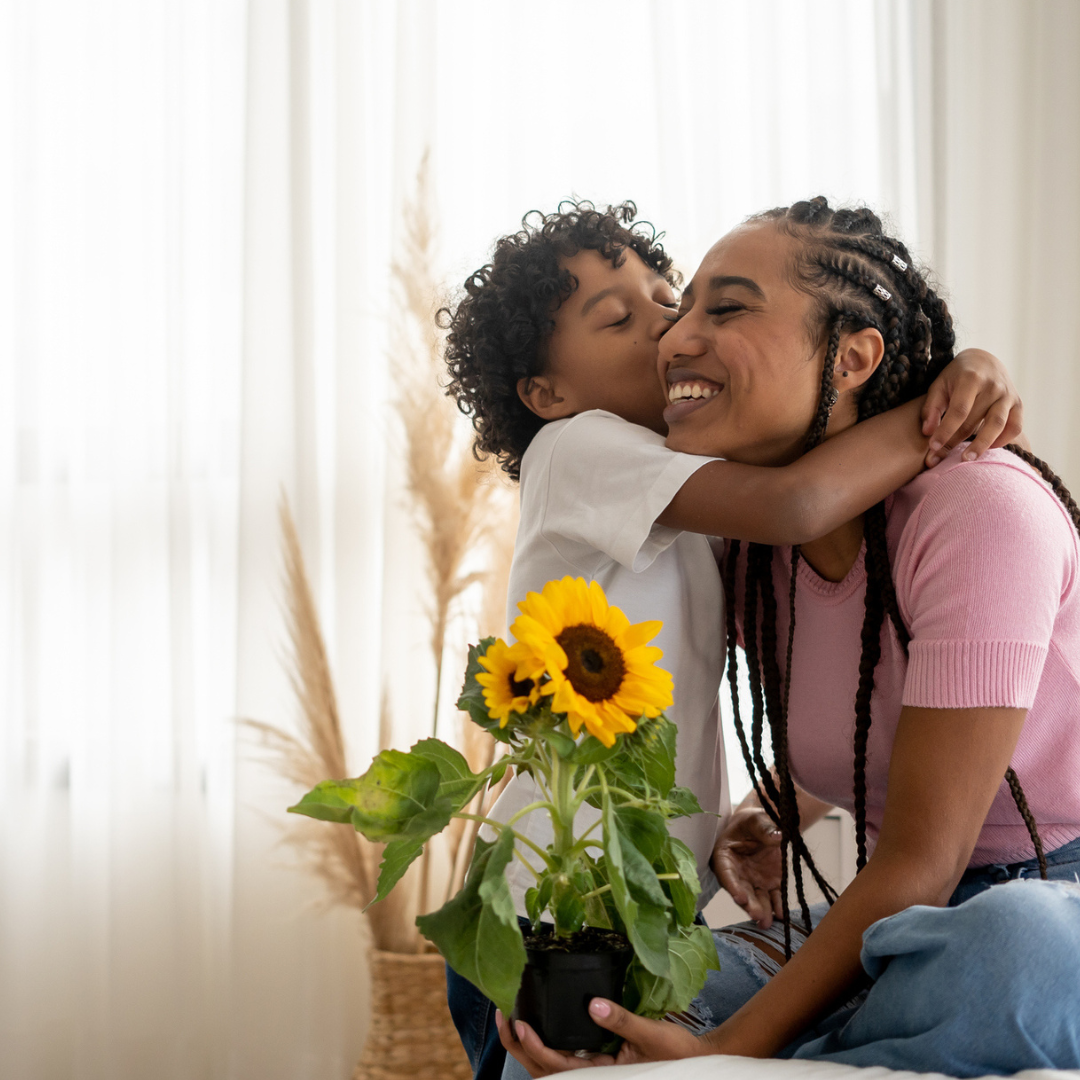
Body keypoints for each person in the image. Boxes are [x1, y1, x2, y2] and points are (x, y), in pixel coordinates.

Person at [441, 200, 1024, 1080]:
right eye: (619, 319)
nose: (667, 329)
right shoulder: (578, 448)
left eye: (666, 299)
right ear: (546, 394)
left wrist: (968, 369)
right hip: (548, 899)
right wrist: (937, 413)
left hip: (636, 898)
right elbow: (800, 504)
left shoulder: (685, 487)